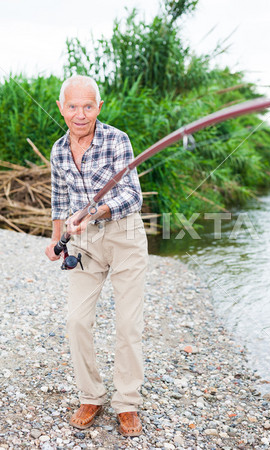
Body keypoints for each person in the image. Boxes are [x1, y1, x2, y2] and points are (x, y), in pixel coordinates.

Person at [45, 75, 148, 436]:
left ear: (99, 107)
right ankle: (91, 395)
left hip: (124, 235)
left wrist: (96, 212)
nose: (80, 114)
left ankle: (127, 403)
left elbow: (133, 196)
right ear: (61, 108)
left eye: (88, 106)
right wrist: (56, 238)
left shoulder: (117, 139)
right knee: (76, 321)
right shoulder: (58, 149)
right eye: (72, 106)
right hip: (83, 242)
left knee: (127, 325)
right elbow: (60, 199)